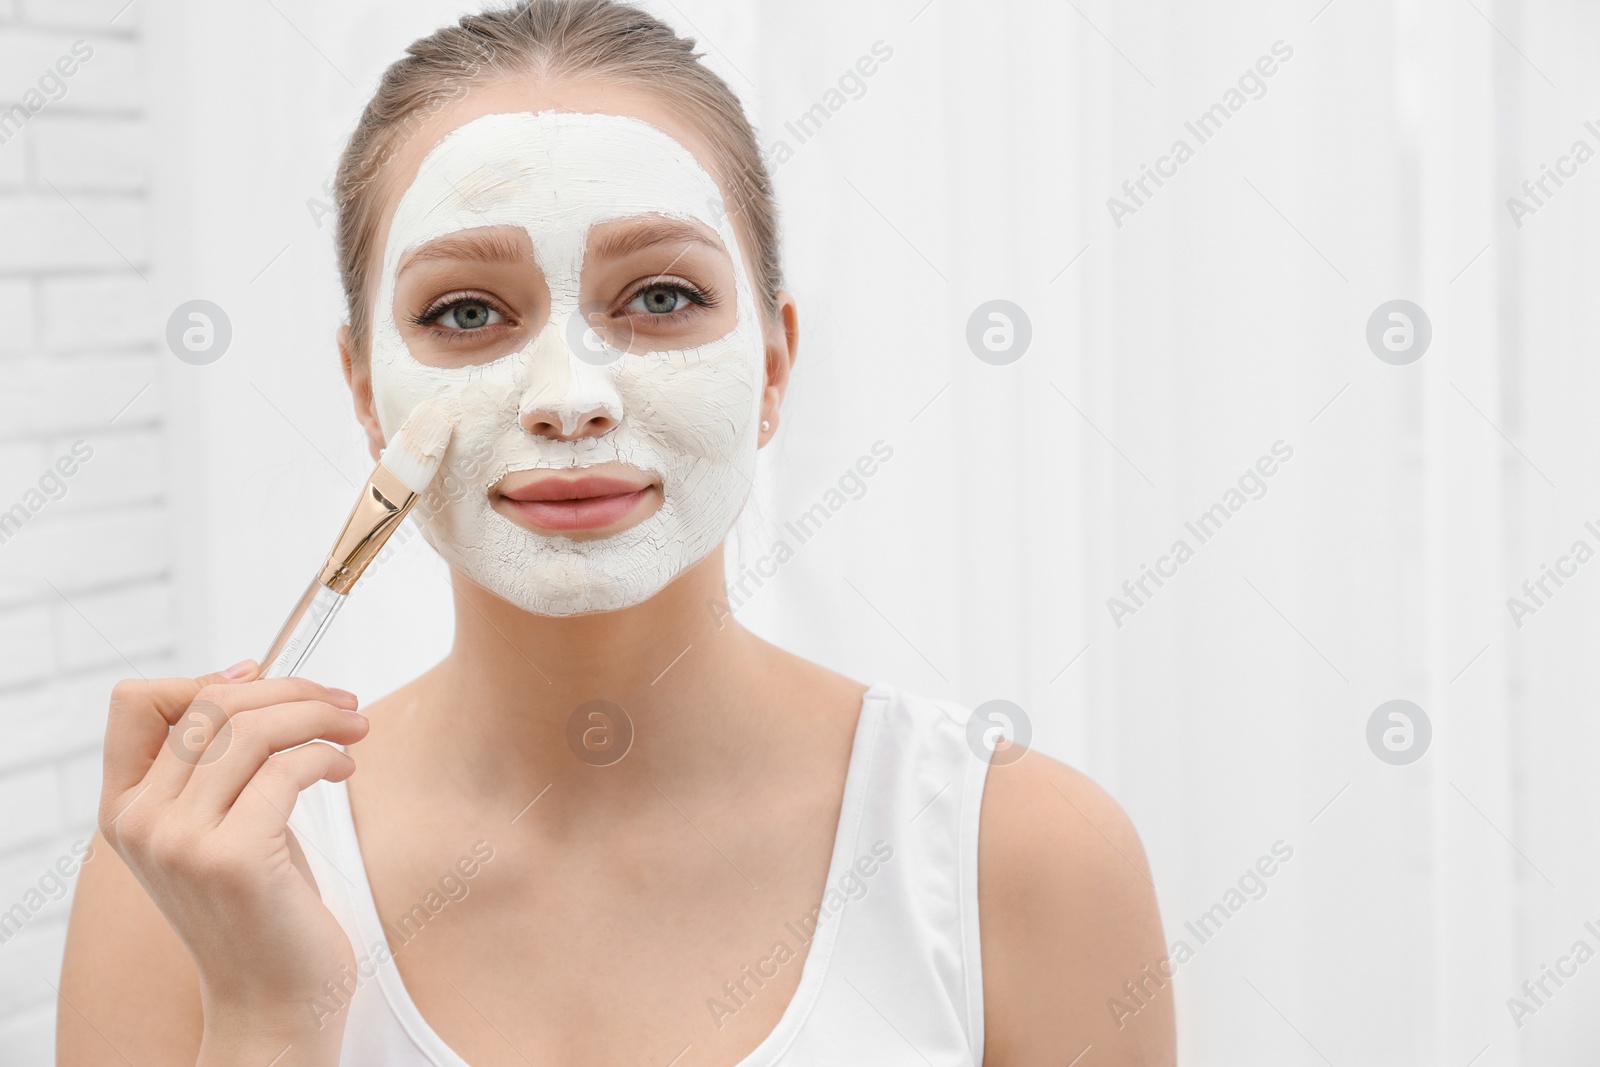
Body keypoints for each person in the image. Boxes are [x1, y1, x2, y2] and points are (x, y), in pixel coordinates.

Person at [59, 2, 1174, 1064]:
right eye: (464, 312)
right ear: (364, 391)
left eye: (658, 295)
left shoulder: (1020, 855)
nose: (569, 396)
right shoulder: (191, 875)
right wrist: (265, 1015)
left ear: (774, 364)